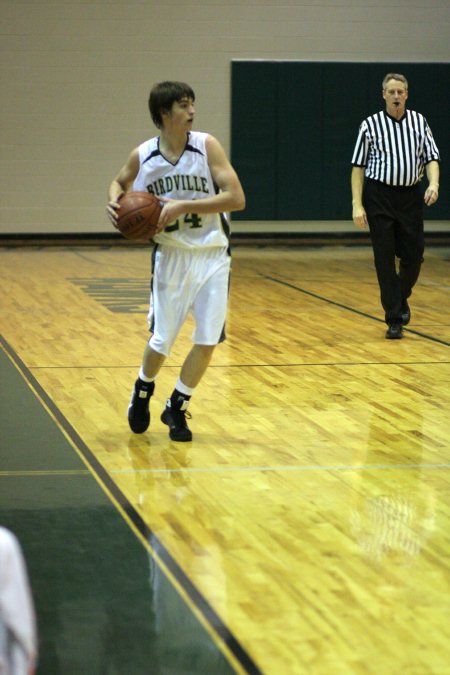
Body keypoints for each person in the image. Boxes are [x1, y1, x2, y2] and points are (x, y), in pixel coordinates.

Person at [107, 81, 245, 441]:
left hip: (213, 255)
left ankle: (177, 406)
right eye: (184, 106)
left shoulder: (206, 146)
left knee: (207, 339)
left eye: (192, 105)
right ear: (164, 114)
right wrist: (114, 202)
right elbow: (119, 182)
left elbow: (236, 198)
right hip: (171, 256)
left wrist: (185, 205)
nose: (192, 112)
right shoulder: (145, 155)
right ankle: (142, 390)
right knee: (161, 342)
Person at [351, 72, 440, 339]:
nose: (396, 96)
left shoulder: (419, 122)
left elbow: (432, 157)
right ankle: (393, 317)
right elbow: (358, 166)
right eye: (391, 92)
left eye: (400, 92)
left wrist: (433, 184)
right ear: (384, 95)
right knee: (384, 257)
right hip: (379, 196)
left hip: (410, 196)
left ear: (407, 95)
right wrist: (357, 203)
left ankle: (400, 298)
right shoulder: (370, 125)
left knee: (414, 256)